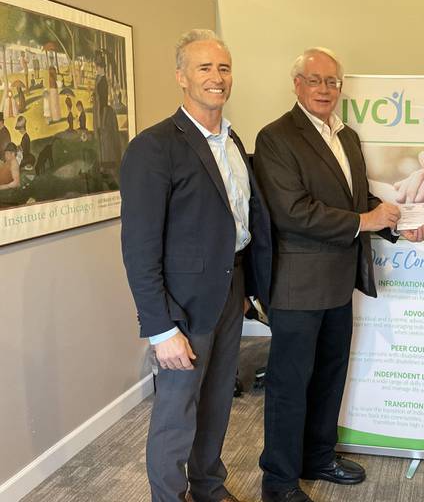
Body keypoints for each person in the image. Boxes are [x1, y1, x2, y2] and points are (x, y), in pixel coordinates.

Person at [253, 47, 424, 502]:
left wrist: (399, 221)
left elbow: (355, 198)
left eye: (333, 81)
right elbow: (292, 211)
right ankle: (280, 481)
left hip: (337, 279)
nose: (325, 89)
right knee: (290, 385)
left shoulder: (345, 136)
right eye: (315, 80)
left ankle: (318, 456)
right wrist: (366, 221)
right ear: (297, 84)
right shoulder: (275, 137)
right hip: (296, 284)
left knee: (330, 374)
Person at [120, 29, 272, 502]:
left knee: (217, 401)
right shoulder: (155, 146)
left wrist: (247, 288)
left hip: (230, 291)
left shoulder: (232, 141)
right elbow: (139, 248)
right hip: (181, 305)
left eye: (224, 68)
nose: (217, 77)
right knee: (176, 411)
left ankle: (208, 486)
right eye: (204, 68)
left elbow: (235, 222)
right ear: (181, 77)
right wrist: (160, 329)